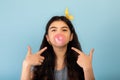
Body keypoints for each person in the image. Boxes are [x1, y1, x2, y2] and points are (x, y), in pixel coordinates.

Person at [21, 16, 95, 80]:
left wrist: (88, 68)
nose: (59, 34)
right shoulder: (39, 65)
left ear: (71, 36)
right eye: (54, 30)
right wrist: (26, 65)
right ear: (48, 38)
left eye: (64, 30)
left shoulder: (81, 63)